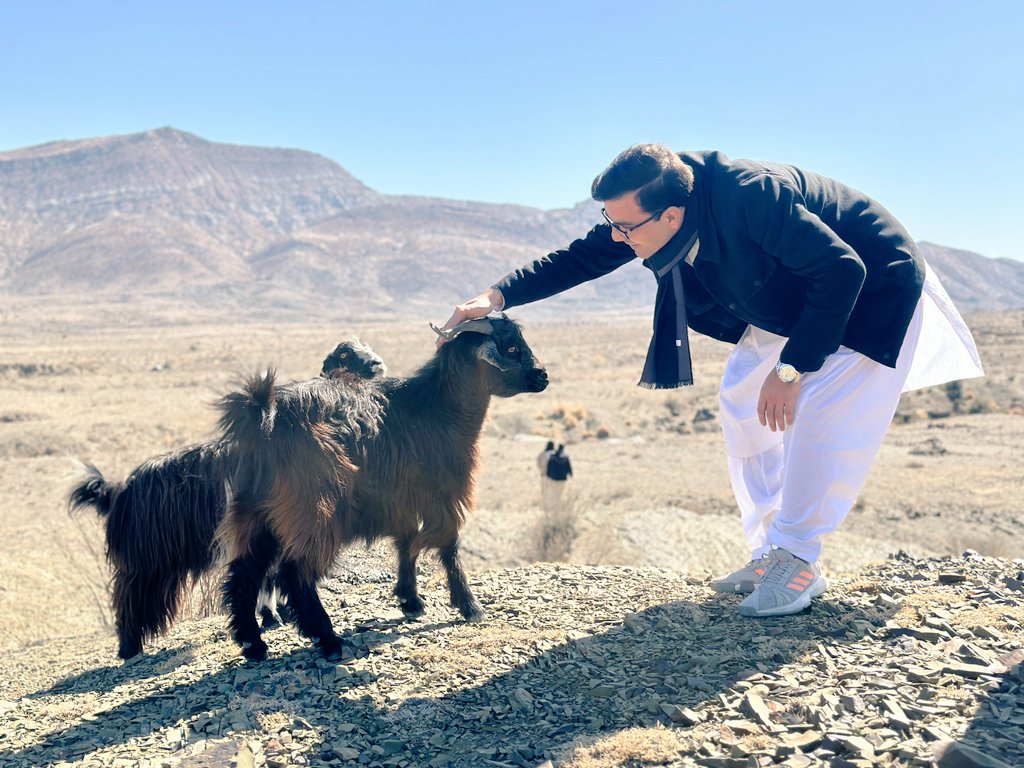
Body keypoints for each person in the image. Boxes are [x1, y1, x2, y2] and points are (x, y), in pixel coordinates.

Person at [440, 143, 983, 617]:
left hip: (868, 291)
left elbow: (843, 270)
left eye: (625, 227)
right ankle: (771, 552)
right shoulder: (647, 204)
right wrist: (496, 296)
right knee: (743, 402)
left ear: (672, 215)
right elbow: (580, 258)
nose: (616, 236)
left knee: (819, 416)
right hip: (798, 297)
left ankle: (798, 560)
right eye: (612, 222)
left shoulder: (751, 196)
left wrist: (793, 369)